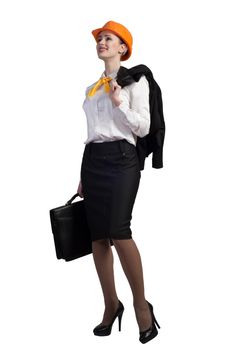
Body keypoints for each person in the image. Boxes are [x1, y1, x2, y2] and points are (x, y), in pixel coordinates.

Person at [77, 20, 161, 344]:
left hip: (123, 161)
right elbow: (92, 135)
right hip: (94, 162)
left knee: (119, 231)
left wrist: (120, 103)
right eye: (99, 39)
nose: (101, 42)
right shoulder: (92, 88)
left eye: (107, 38)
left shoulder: (135, 81)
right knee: (98, 237)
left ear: (122, 47)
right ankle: (111, 305)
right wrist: (82, 174)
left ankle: (141, 306)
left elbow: (142, 127)